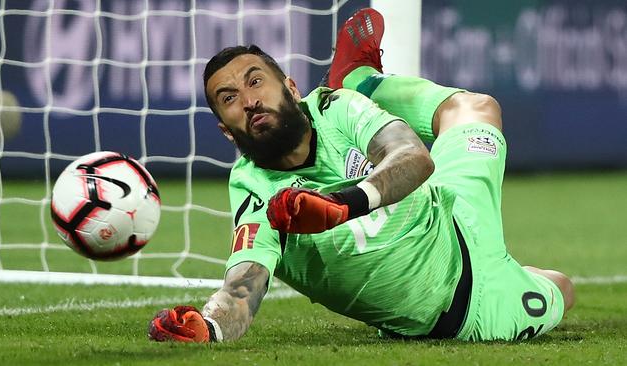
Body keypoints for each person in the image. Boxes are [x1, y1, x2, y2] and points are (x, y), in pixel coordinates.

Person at [147, 8, 575, 343]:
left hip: (452, 208)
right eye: (230, 98)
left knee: (477, 107)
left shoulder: (336, 108)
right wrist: (211, 326)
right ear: (226, 130)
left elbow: (414, 158)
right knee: (561, 285)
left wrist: (341, 205)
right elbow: (243, 289)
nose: (250, 101)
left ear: (293, 89)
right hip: (474, 310)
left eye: (256, 81)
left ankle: (363, 81)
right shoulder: (255, 191)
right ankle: (509, 269)